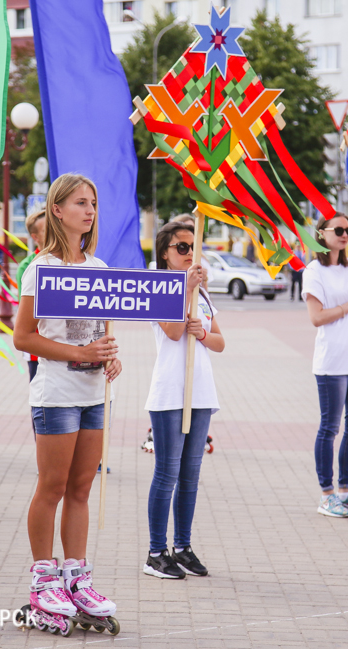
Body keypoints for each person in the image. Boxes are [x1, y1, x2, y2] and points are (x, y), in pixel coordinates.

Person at [13, 173, 121, 634]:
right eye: (81, 202)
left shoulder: (98, 268)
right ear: (57, 210)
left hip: (94, 394)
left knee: (81, 489)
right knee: (52, 486)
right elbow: (23, 337)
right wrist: (81, 354)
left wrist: (109, 356)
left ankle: (76, 578)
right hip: (56, 392)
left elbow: (100, 334)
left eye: (93, 203)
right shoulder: (42, 268)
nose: (90, 210)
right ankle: (43, 582)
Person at [142, 221, 224, 580]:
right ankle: (156, 552)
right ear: (165, 252)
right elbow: (173, 331)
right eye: (182, 247)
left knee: (191, 475)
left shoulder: (202, 294)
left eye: (193, 247)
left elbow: (220, 341)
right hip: (170, 392)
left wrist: (203, 332)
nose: (190, 253)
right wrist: (185, 290)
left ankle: (183, 546)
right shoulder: (158, 287)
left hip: (201, 390)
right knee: (167, 473)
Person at [302, 213, 348, 519]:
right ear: (322, 233)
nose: (345, 234)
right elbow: (316, 317)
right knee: (330, 427)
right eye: (339, 229)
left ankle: (346, 491)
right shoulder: (314, 270)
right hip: (332, 360)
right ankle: (326, 494)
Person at [16, 209, 47, 381]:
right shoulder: (28, 266)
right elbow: (27, 308)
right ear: (35, 237)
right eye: (45, 230)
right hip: (38, 346)